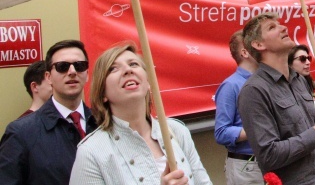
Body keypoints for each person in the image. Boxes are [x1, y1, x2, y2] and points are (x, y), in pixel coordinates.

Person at [69, 43, 212, 185]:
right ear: (103, 93)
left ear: (149, 83)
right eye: (113, 69)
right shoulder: (91, 153)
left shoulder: (177, 131)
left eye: (133, 64)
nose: (127, 70)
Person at [238, 13, 315, 185]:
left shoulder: (300, 80)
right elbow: (268, 155)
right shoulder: (254, 91)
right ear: (258, 44)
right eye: (272, 27)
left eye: (279, 24)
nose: (283, 27)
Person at [0, 40, 98, 185]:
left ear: (87, 74)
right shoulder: (21, 132)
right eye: (62, 67)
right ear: (48, 77)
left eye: (79, 66)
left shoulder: (104, 123)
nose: (72, 72)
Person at [214, 30, 264, 185]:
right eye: (254, 44)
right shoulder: (231, 85)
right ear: (245, 52)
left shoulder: (265, 81)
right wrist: (257, 129)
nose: (261, 47)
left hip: (269, 163)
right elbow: (221, 132)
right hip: (246, 168)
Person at [289, 44, 315, 113]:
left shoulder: (313, 84)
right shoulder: (286, 88)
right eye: (302, 59)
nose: (308, 62)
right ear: (290, 63)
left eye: (309, 58)